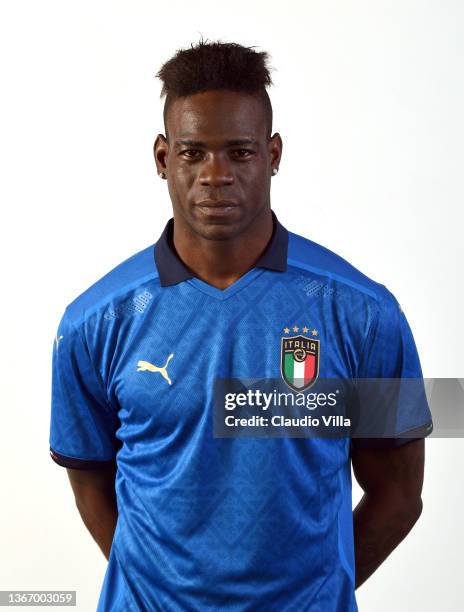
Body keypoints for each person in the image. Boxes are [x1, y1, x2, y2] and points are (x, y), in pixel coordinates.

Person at [49, 39, 433, 611]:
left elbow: (399, 496)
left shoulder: (363, 313)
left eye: (240, 152)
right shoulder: (93, 322)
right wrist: (161, 590)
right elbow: (91, 482)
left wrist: (313, 593)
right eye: (193, 153)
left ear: (274, 154)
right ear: (162, 158)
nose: (216, 175)